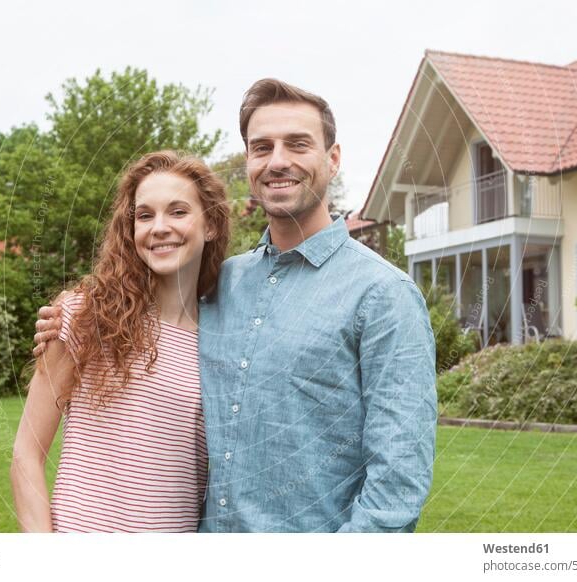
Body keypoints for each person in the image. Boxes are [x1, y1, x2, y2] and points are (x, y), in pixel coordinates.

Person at [34, 79, 437, 533]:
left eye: (298, 144)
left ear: (333, 158)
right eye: (261, 147)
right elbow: (145, 295)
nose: (278, 161)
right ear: (248, 161)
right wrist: (72, 316)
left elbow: (397, 485)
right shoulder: (221, 283)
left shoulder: (384, 295)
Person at [12, 151, 230, 532]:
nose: (159, 227)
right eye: (145, 215)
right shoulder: (84, 316)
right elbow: (26, 454)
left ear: (210, 224)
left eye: (178, 212)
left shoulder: (226, 340)